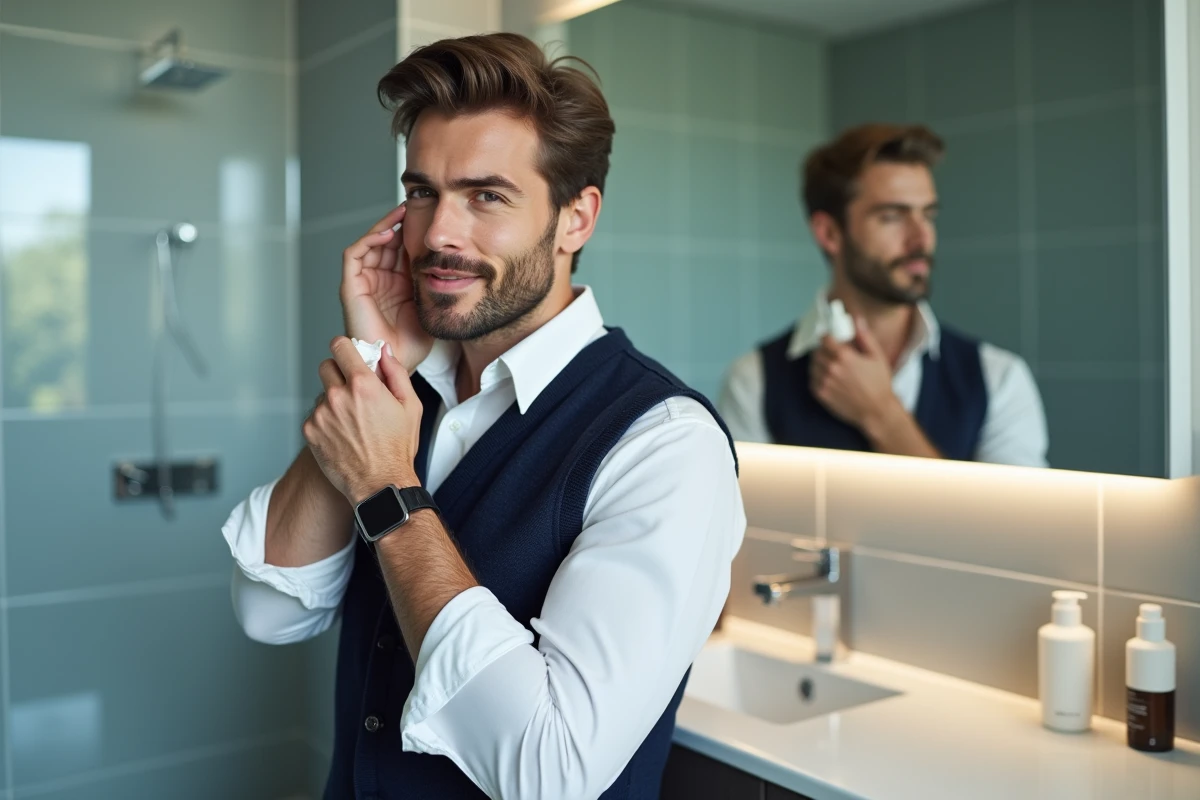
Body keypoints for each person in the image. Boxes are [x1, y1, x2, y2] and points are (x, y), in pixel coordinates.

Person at [221, 33, 745, 799]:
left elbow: (551, 769)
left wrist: (388, 491)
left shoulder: (665, 446)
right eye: (423, 192)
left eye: (486, 196)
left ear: (576, 218)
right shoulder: (403, 390)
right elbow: (268, 612)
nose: (436, 235)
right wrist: (370, 363)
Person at [719, 123, 1048, 466]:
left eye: (928, 215)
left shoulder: (1000, 380)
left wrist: (882, 415)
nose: (922, 239)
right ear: (830, 233)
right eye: (892, 217)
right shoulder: (753, 383)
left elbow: (1011, 522)